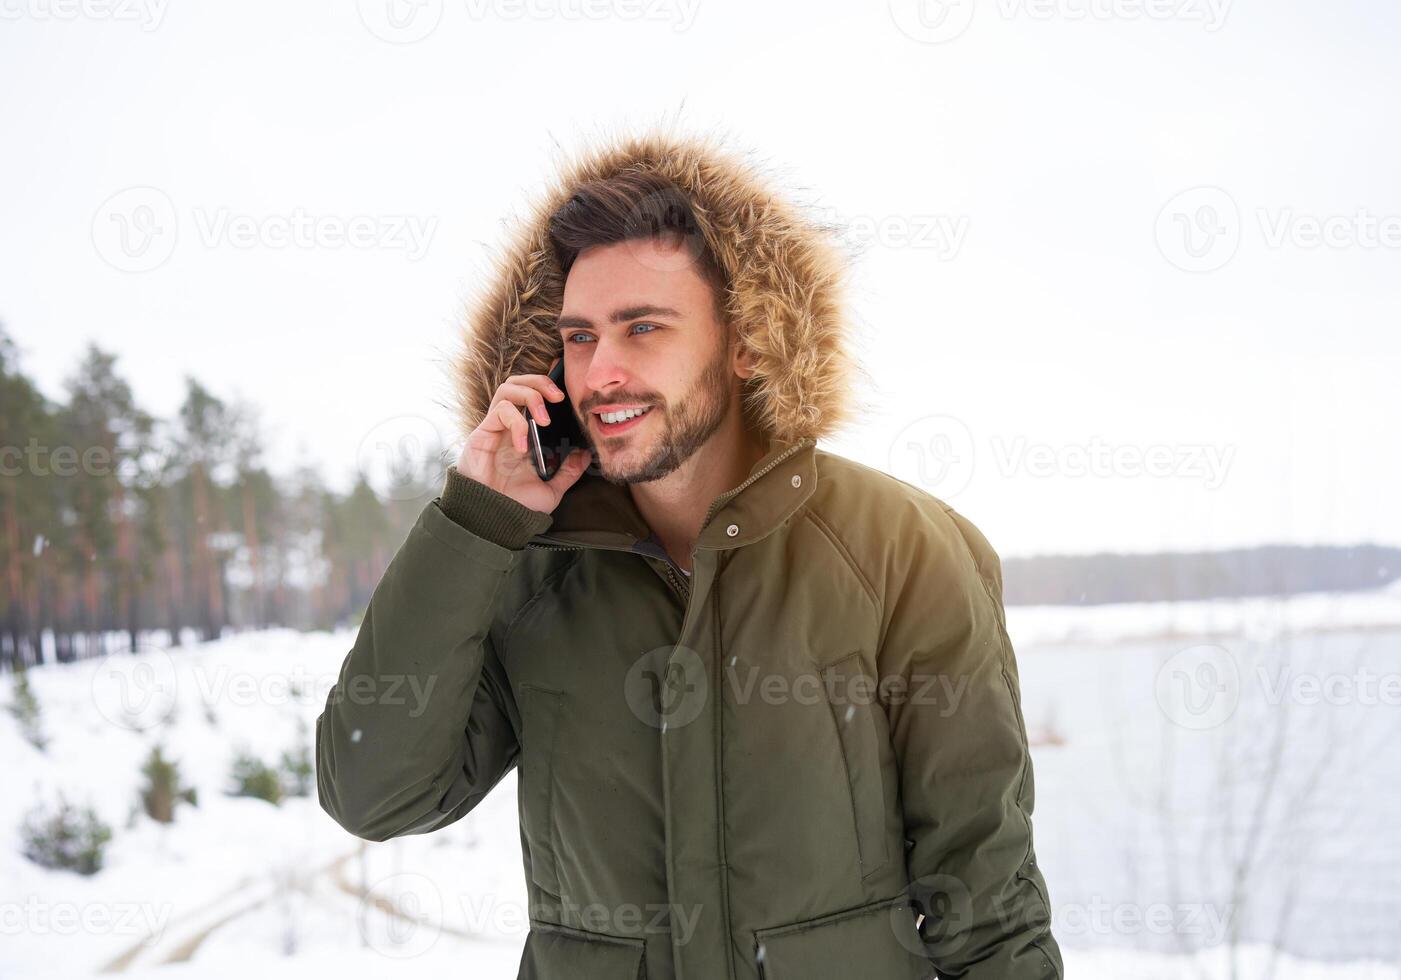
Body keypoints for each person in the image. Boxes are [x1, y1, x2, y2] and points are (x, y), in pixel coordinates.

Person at [316, 127, 1063, 980]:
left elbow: (987, 906)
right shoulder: (522, 569)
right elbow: (374, 794)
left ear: (747, 341)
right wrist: (473, 525)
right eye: (581, 336)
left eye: (644, 328)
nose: (601, 373)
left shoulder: (903, 550)